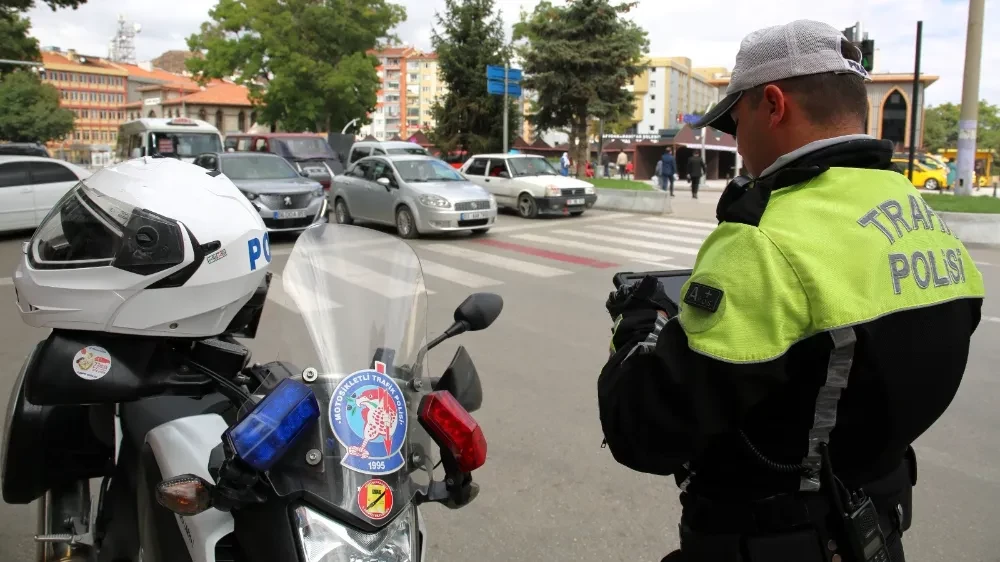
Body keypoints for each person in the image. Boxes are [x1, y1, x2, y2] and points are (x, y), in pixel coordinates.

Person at [598, 20, 984, 562]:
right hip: (874, 527)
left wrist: (637, 325)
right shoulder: (922, 214)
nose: (738, 145)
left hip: (769, 540)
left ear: (772, 104)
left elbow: (643, 430)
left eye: (735, 123)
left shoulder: (765, 238)